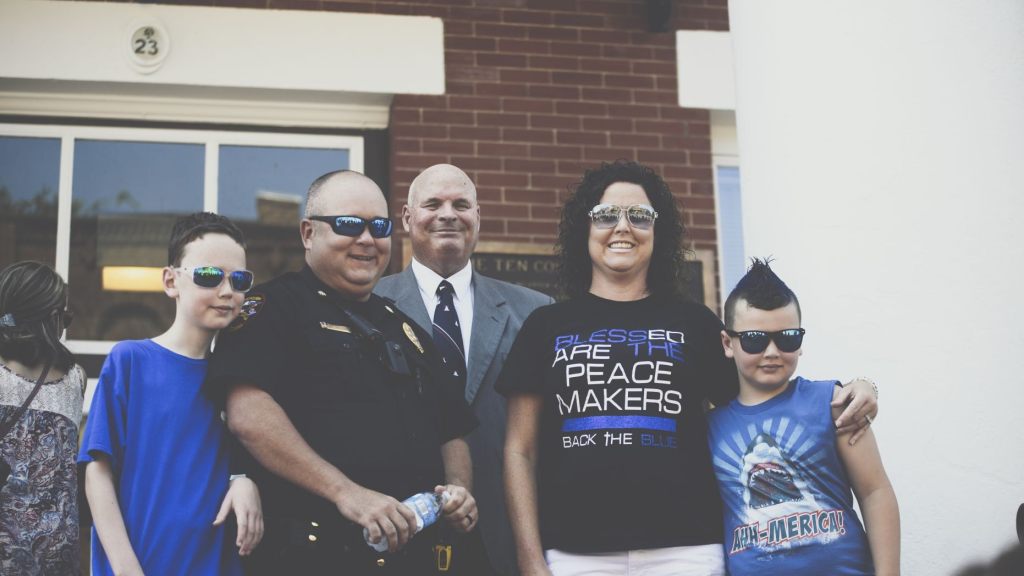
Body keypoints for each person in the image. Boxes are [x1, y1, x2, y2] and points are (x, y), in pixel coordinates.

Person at [498, 160, 880, 576]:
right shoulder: (546, 326)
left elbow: (762, 396)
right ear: (584, 229)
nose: (623, 227)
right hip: (574, 554)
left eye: (640, 216)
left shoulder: (694, 322)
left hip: (687, 551)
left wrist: (859, 385)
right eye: (606, 215)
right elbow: (520, 450)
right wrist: (529, 558)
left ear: (657, 233)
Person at [207, 170, 479, 575]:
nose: (367, 240)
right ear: (308, 234)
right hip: (314, 556)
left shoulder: (403, 326)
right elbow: (248, 415)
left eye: (379, 227)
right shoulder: (273, 308)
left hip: (414, 560)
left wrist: (458, 492)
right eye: (349, 225)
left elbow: (451, 428)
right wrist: (347, 494)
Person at [375, 163, 554, 575]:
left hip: (507, 536)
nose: (448, 214)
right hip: (399, 535)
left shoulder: (534, 312)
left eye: (461, 204)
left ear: (478, 216)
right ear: (406, 218)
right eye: (433, 203)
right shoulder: (371, 307)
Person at [79, 212, 264, 576]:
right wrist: (125, 567)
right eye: (210, 276)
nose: (227, 291)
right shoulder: (131, 360)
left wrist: (246, 481)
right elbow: (97, 472)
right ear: (171, 280)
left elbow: (248, 459)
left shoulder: (241, 380)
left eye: (239, 279)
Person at [707, 258, 900, 575]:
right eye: (755, 339)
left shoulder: (833, 402)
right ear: (728, 343)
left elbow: (875, 491)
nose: (772, 351)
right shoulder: (710, 429)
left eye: (787, 337)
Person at [0, 261, 84, 575]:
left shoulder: (75, 379)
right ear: (47, 320)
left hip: (58, 561)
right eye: (63, 317)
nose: (65, 326)